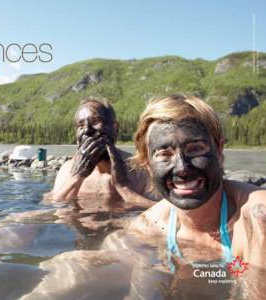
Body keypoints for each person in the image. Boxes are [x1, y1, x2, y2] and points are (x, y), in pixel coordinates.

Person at [102, 94, 266, 269]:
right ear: (147, 164)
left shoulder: (256, 217)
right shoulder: (149, 226)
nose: (182, 168)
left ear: (219, 151)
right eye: (164, 154)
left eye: (195, 149)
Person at [44, 98, 156, 209]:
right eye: (81, 126)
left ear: (114, 127)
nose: (87, 130)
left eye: (96, 122)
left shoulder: (140, 168)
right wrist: (76, 177)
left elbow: (162, 213)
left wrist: (124, 188)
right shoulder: (67, 169)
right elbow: (51, 205)